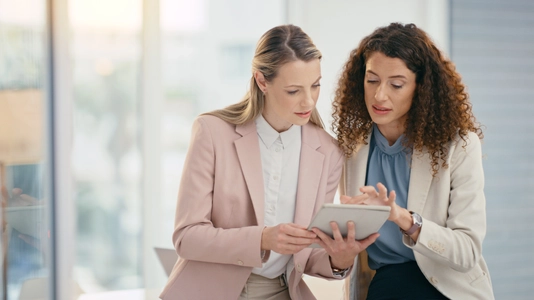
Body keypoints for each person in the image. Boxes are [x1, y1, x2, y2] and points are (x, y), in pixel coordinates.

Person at [159, 24, 379, 300]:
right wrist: (262, 238)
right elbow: (186, 237)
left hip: (280, 291)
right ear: (262, 81)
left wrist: (341, 259)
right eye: (293, 91)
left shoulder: (328, 152)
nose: (308, 101)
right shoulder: (212, 132)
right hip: (209, 290)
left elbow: (307, 257)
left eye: (315, 85)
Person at [331, 23, 494, 299]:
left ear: (422, 88)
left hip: (448, 286)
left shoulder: (459, 146)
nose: (380, 95)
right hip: (386, 285)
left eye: (396, 84)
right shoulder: (351, 147)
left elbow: (467, 251)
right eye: (372, 80)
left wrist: (402, 218)